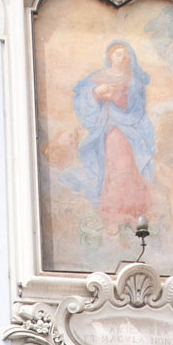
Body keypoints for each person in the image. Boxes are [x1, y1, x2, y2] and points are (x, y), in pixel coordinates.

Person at [60, 41, 155, 230]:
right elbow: (81, 98)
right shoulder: (98, 77)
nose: (122, 58)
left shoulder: (133, 79)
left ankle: (135, 212)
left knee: (129, 168)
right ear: (110, 56)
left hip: (129, 129)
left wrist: (116, 98)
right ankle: (114, 214)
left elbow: (137, 107)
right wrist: (96, 92)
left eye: (125, 54)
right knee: (115, 168)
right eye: (118, 54)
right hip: (109, 129)